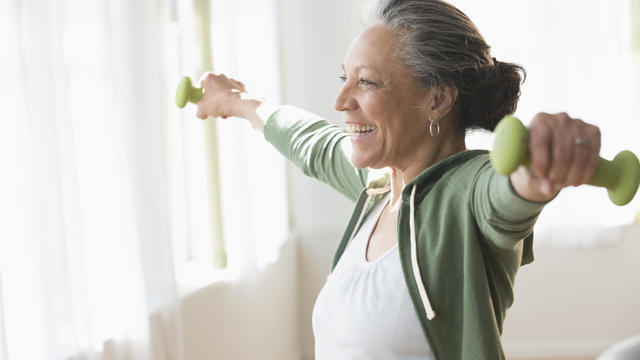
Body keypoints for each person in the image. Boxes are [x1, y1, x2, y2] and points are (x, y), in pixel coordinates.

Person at [194, 0, 602, 358]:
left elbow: (505, 193)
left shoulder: (465, 195)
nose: (340, 101)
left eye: (367, 82)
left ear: (437, 99)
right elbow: (313, 144)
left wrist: (539, 169)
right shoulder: (379, 190)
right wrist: (237, 102)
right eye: (345, 79)